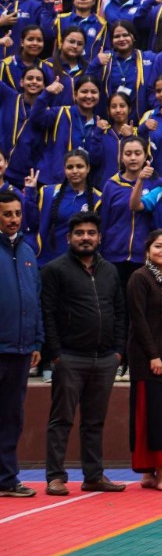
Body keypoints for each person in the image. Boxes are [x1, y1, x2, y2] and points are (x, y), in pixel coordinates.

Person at [40, 212, 127, 496]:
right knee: (61, 420)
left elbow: (119, 312)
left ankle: (93, 475)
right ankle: (55, 476)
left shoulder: (110, 270)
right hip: (69, 357)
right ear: (69, 238)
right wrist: (55, 354)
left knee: (94, 421)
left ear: (99, 238)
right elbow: (48, 313)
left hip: (104, 359)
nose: (86, 237)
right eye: (80, 233)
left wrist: (118, 351)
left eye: (91, 232)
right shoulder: (55, 269)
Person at [126, 229, 162, 490]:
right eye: (158, 246)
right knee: (152, 413)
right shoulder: (140, 278)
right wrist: (154, 356)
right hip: (147, 356)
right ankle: (158, 471)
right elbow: (138, 321)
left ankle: (150, 472)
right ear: (148, 249)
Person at [0, 189, 42, 498]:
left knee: (12, 416)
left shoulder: (28, 251)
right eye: (7, 214)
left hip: (21, 349)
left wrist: (37, 340)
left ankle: (7, 479)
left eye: (17, 213)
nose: (13, 219)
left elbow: (34, 300)